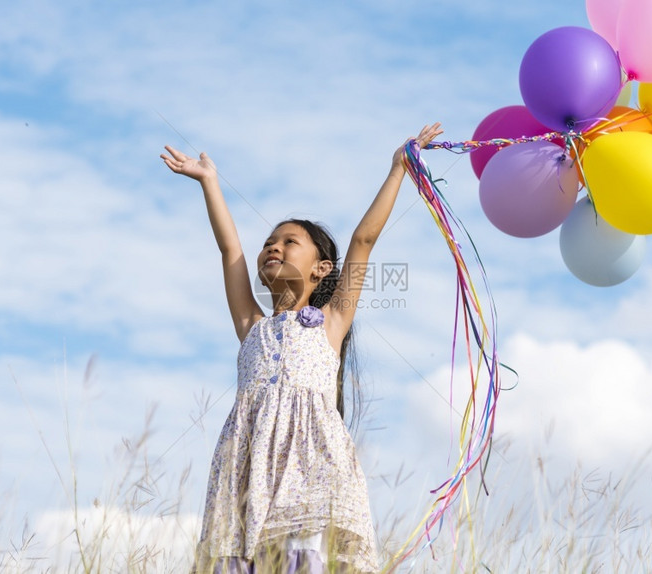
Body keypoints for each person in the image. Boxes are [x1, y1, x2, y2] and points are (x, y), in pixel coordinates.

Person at [161, 122, 443, 573]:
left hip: (312, 469)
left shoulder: (331, 321)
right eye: (269, 243)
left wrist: (397, 170)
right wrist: (210, 182)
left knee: (304, 558)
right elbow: (229, 248)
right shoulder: (252, 324)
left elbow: (363, 240)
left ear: (321, 268)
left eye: (290, 242)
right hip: (250, 466)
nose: (274, 247)